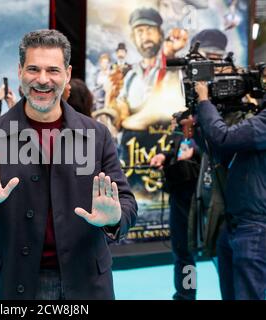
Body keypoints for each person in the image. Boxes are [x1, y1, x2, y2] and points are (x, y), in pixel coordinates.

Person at [0, 29, 138, 300]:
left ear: (67, 74)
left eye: (53, 70)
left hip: (86, 282)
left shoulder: (97, 135)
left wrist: (115, 219)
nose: (42, 80)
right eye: (33, 69)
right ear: (20, 72)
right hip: (14, 283)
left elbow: (127, 204)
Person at [194, 79, 266, 300]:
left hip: (255, 227)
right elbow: (219, 151)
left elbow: (224, 138)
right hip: (237, 223)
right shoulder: (258, 119)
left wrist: (204, 101)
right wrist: (199, 126)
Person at [113, 7, 188, 131]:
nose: (145, 36)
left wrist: (170, 55)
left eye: (150, 30)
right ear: (133, 38)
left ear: (160, 34)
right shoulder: (130, 76)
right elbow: (121, 110)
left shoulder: (175, 67)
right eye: (140, 32)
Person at [150, 115, 201, 300]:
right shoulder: (183, 126)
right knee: (184, 252)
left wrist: (196, 151)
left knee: (221, 252)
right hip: (181, 197)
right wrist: (164, 156)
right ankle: (186, 295)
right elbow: (175, 148)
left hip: (207, 199)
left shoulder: (211, 121)